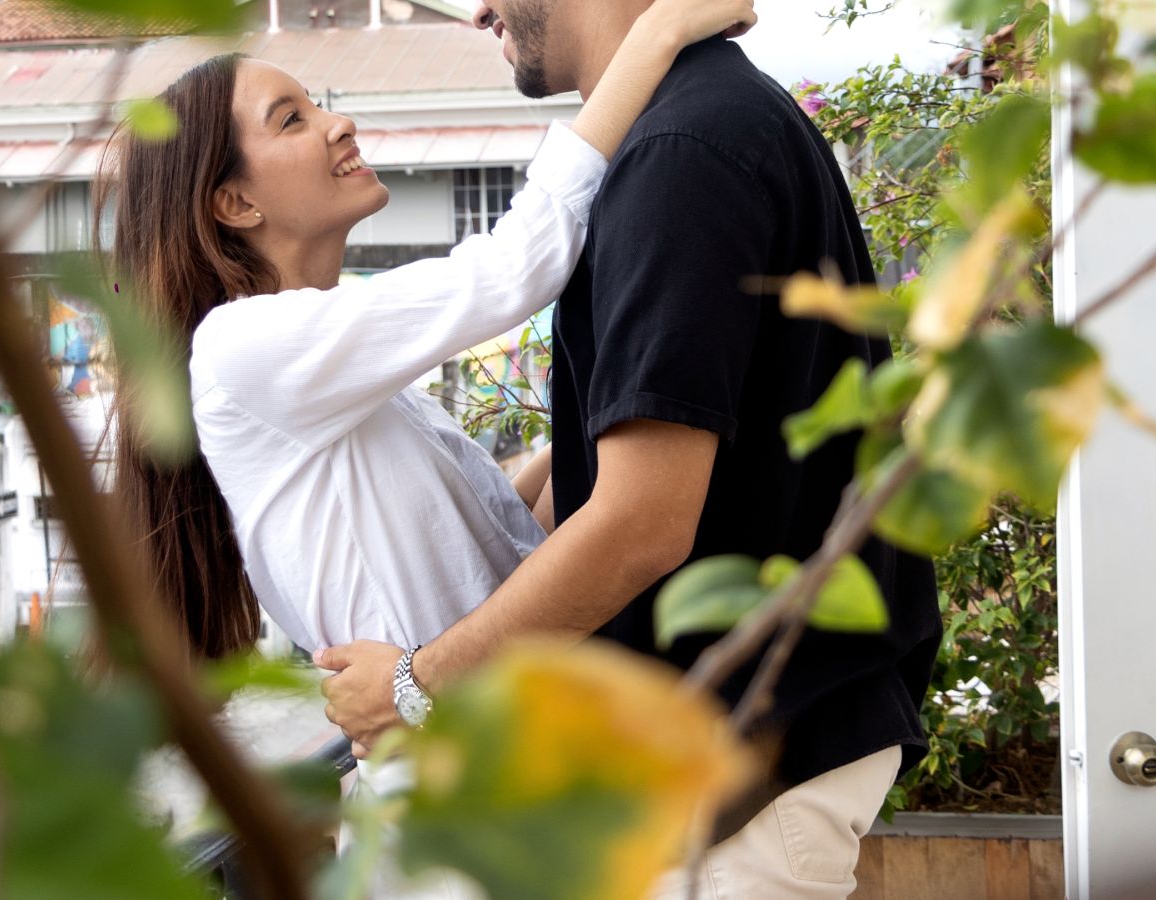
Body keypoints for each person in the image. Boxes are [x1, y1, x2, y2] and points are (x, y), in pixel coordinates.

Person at [316, 1, 943, 896]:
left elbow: (641, 520)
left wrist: (417, 686)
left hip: (737, 800)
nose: (482, 8)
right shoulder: (706, 122)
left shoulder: (680, 153)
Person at [96, 0, 756, 665]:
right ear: (235, 203)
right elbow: (511, 269)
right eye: (293, 120)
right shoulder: (242, 349)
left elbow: (489, 537)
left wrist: (630, 430)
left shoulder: (340, 378)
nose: (339, 124)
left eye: (317, 105)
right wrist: (656, 32)